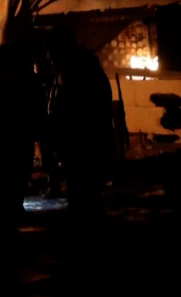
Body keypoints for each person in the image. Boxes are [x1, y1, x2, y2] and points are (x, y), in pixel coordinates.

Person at [45, 25, 115, 231]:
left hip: (85, 153)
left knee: (85, 207)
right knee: (82, 205)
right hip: (76, 154)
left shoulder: (78, 76)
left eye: (52, 53)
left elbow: (84, 117)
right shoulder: (68, 75)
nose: (50, 59)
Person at [0, 42, 44, 257]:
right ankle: (7, 233)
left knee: (12, 189)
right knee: (5, 191)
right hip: (6, 145)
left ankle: (7, 232)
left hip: (13, 144)